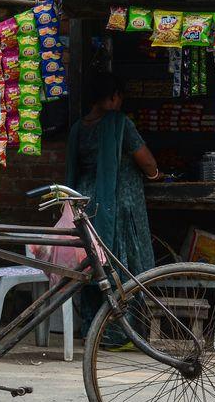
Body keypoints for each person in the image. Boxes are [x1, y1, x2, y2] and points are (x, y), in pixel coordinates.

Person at [66, 71, 158, 337]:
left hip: (86, 204)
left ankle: (94, 331)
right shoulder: (120, 123)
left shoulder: (78, 128)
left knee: (94, 265)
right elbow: (147, 161)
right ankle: (120, 333)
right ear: (115, 96)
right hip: (117, 204)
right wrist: (154, 175)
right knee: (120, 265)